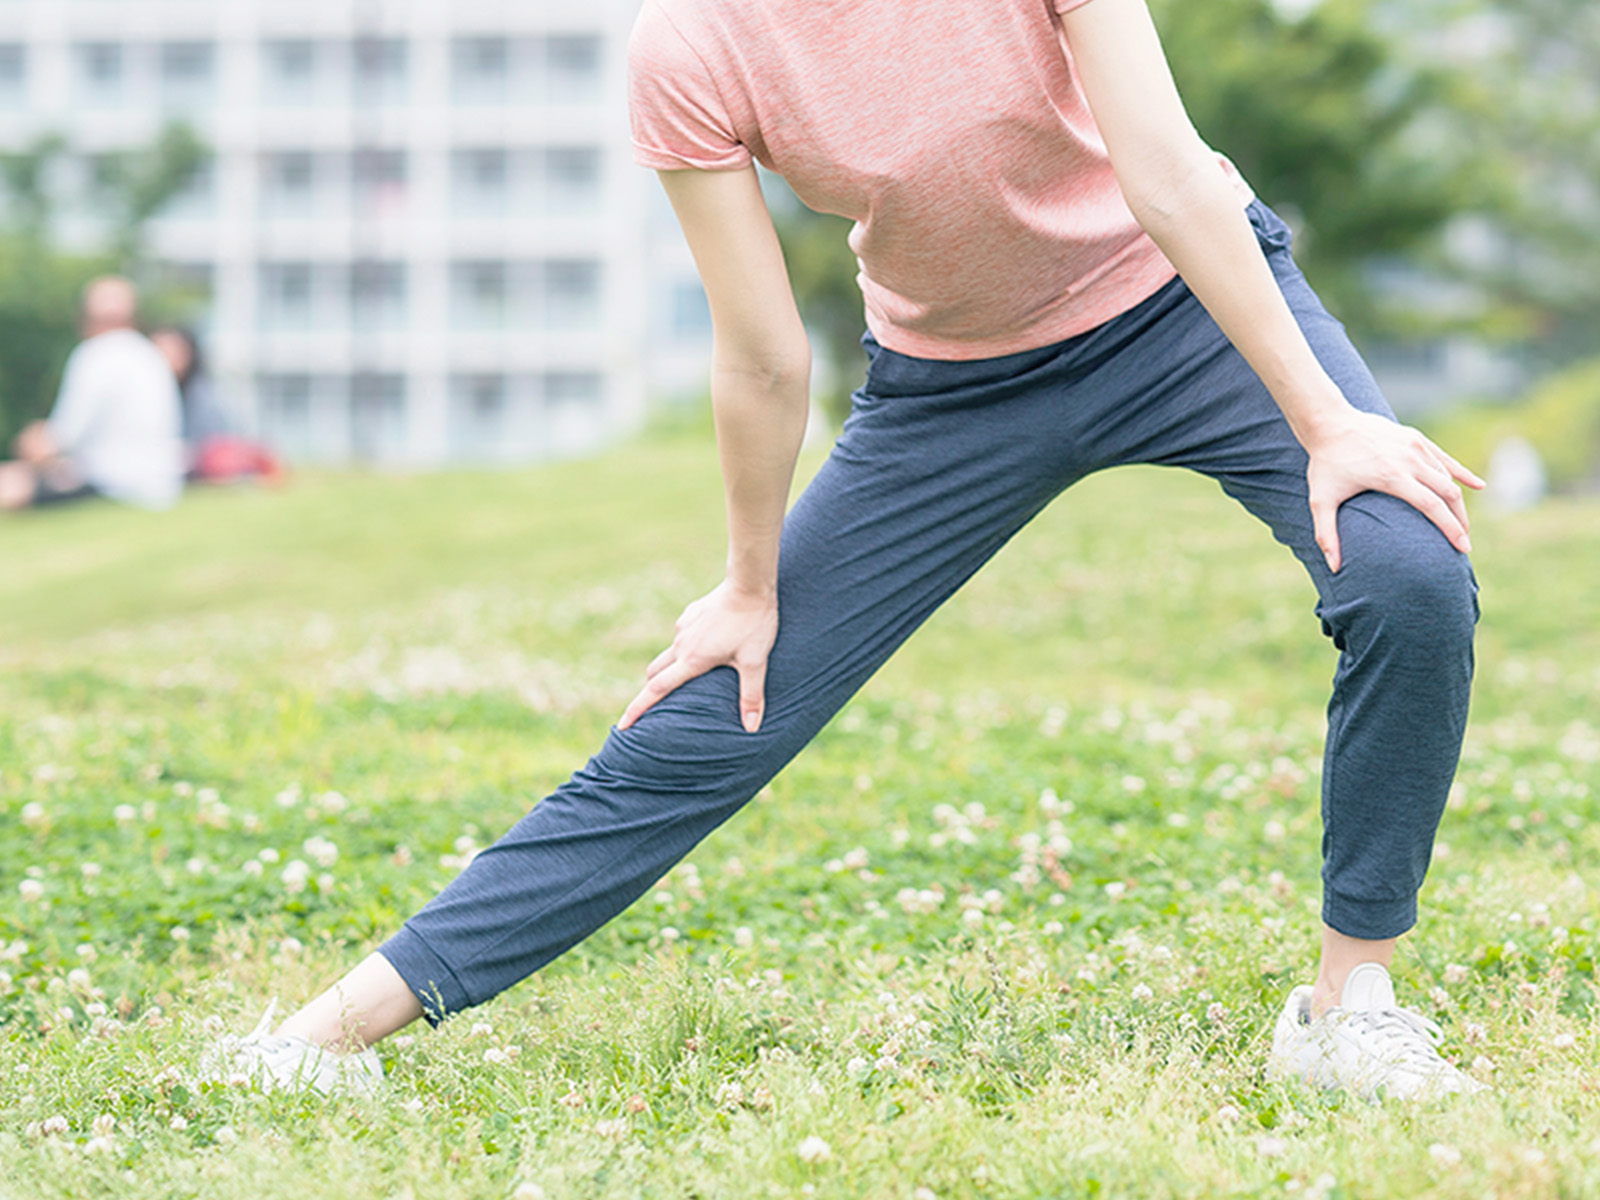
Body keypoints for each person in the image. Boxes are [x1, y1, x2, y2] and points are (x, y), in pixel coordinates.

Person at [210, 0, 1486, 1100]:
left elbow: (1171, 184)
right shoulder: (695, 49)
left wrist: (1326, 423)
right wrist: (749, 584)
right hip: (954, 392)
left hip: (1182, 308)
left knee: (1407, 571)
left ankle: (1342, 1009)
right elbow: (763, 353)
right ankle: (325, 1039)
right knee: (723, 705)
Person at [0, 276, 184, 513]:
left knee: (9, 482)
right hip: (157, 485)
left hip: (112, 483)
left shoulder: (94, 354)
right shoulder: (148, 353)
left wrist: (31, 442)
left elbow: (63, 436)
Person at [151, 325, 284, 485]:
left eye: (173, 350)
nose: (165, 357)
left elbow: (211, 446)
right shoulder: (151, 392)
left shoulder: (202, 395)